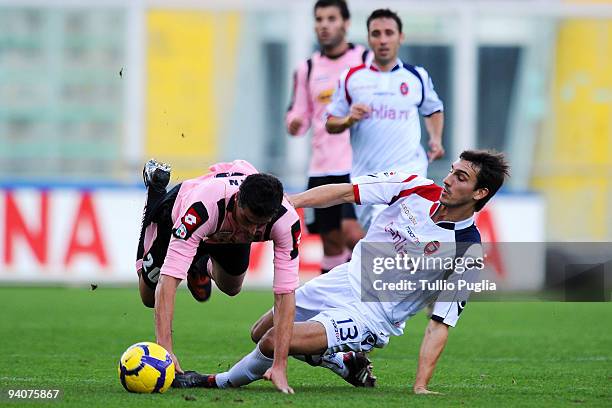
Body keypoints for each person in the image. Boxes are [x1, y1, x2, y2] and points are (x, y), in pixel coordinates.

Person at [172, 150, 510, 394]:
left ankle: (214, 381)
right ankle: (341, 360)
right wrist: (291, 202)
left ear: (480, 194)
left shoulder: (467, 250)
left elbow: (440, 324)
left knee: (276, 341)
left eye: (460, 178)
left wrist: (420, 386)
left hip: (372, 314)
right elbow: (346, 191)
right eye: (451, 171)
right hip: (344, 278)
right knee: (259, 330)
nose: (448, 180)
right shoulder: (415, 188)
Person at [136, 159, 301, 394]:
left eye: (260, 225)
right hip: (177, 216)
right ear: (237, 202)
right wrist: (166, 352)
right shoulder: (201, 208)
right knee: (147, 297)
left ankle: (199, 264)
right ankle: (155, 190)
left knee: (232, 287)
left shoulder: (285, 221)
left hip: (223, 230)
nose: (253, 232)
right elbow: (169, 280)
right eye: (248, 221)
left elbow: (285, 295)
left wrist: (280, 365)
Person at [326, 8, 445, 231]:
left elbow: (433, 109)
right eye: (376, 34)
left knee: (398, 237)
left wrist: (436, 139)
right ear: (369, 38)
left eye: (389, 33)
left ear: (401, 37)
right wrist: (348, 120)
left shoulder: (416, 76)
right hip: (367, 178)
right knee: (382, 244)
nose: (382, 40)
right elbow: (330, 122)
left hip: (409, 173)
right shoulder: (352, 77)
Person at [286, 0, 366, 273]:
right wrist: (295, 123)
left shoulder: (364, 61)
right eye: (319, 19)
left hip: (355, 166)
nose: (324, 25)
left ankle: (382, 302)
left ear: (345, 22)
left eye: (331, 18)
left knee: (353, 234)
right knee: (331, 243)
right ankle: (334, 307)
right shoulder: (306, 68)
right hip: (321, 167)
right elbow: (298, 113)